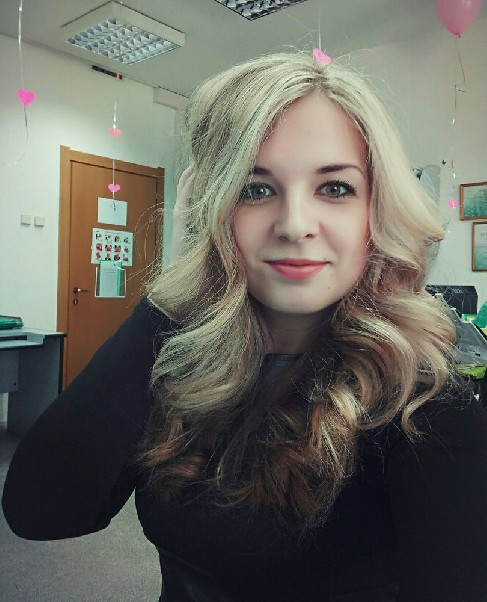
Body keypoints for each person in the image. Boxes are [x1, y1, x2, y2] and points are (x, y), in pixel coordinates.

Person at [3, 52, 487, 601]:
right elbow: (40, 512)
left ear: (376, 210)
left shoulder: (426, 404)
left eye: (334, 188)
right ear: (215, 209)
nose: (295, 225)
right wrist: (182, 285)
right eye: (255, 189)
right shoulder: (181, 363)